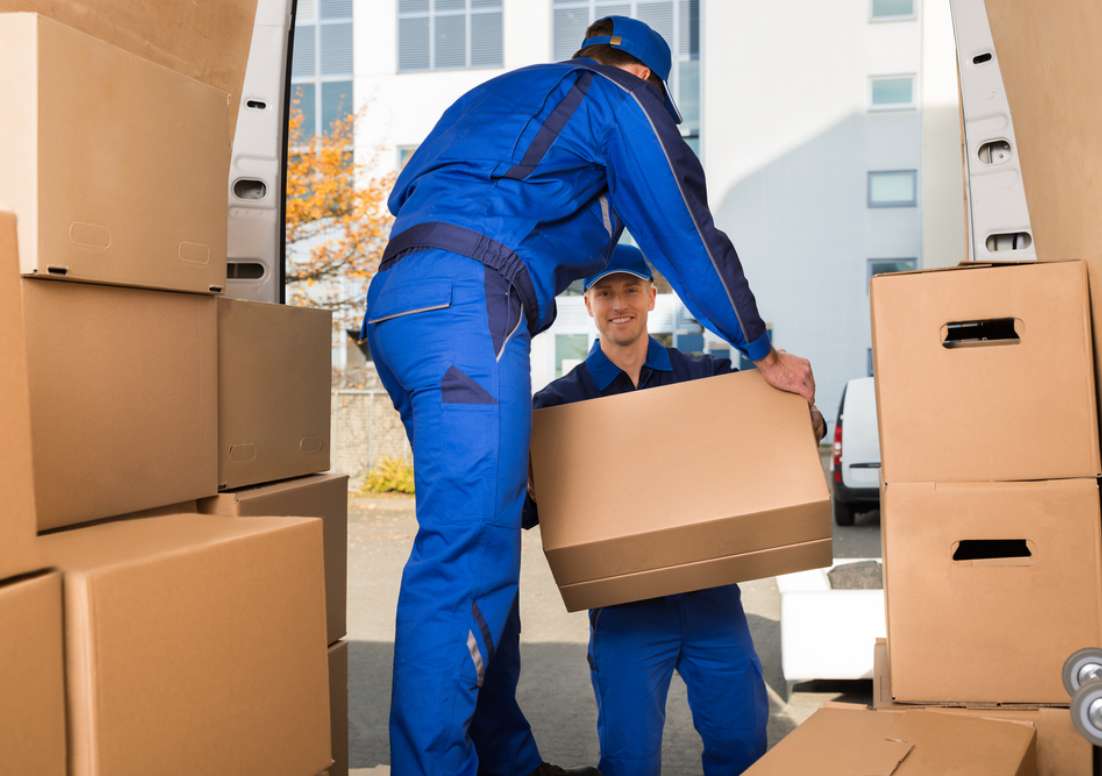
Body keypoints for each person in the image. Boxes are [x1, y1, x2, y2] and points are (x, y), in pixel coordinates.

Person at [362, 14, 817, 776]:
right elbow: (684, 226)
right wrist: (759, 345)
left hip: (400, 308)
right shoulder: (617, 98)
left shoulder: (503, 97)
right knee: (465, 554)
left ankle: (505, 760)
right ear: (648, 78)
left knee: (482, 534)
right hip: (471, 304)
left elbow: (418, 200)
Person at [523, 245, 826, 775]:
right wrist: (525, 480)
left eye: (631, 290)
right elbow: (529, 511)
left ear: (651, 297)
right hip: (626, 611)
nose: (620, 304)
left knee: (742, 746)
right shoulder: (558, 406)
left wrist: (808, 419)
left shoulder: (704, 377)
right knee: (629, 760)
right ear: (588, 303)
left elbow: (773, 435)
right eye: (606, 293)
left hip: (712, 601)